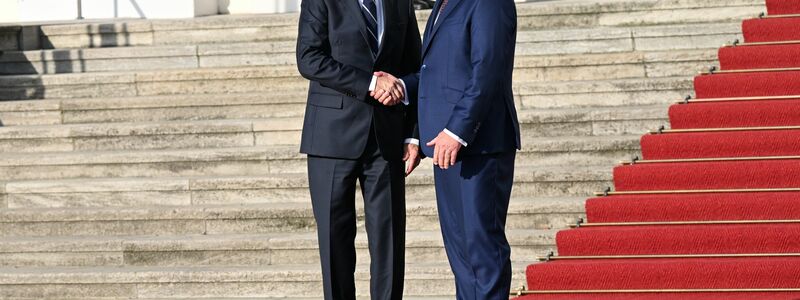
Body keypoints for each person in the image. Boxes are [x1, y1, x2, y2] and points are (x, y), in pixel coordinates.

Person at [382, 0, 521, 298]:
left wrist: (457, 130)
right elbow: (436, 74)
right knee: (461, 258)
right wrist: (403, 89)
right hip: (445, 147)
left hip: (479, 145)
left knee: (482, 252)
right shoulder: (443, 4)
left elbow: (488, 70)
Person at [295, 0, 423, 299]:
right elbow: (308, 57)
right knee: (334, 242)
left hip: (386, 138)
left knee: (389, 243)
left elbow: (416, 68)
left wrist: (414, 135)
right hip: (331, 138)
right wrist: (369, 83)